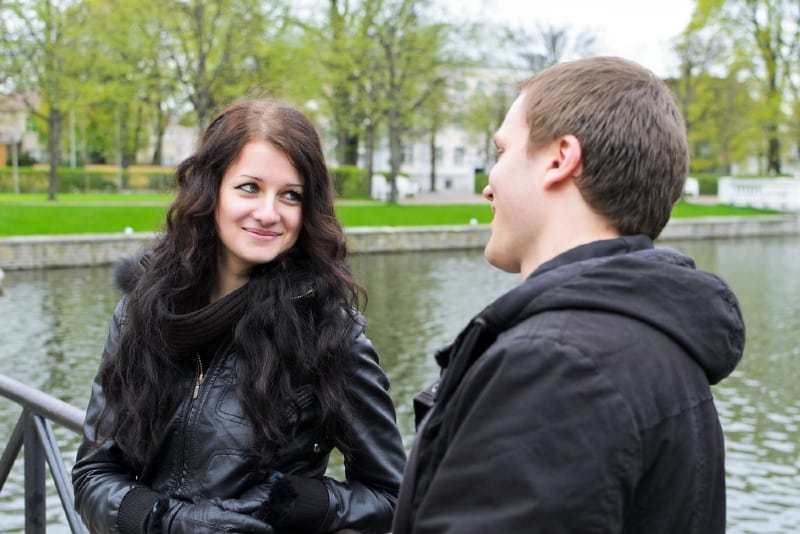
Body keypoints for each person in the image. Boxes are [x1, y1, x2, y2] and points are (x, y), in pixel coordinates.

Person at [392, 57, 745, 533]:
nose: (487, 185)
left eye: (501, 151)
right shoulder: (655, 339)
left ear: (560, 160)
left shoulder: (555, 364)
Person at [72, 98, 407, 534]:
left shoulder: (329, 332)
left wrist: (296, 503)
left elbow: (393, 497)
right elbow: (92, 475)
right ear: (211, 191)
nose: (269, 213)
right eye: (250, 187)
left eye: (291, 195)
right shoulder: (142, 311)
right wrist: (167, 521)